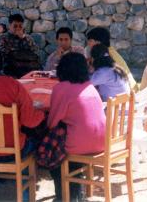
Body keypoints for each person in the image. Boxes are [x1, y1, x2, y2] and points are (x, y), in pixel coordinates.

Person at [47, 52, 106, 201]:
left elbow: (52, 123)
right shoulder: (90, 87)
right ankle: (76, 193)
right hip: (102, 142)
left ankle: (64, 197)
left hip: (78, 145)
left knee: (50, 152)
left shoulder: (61, 88)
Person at [86, 27, 138, 91]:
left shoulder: (106, 56)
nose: (88, 43)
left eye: (90, 41)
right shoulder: (109, 52)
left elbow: (91, 80)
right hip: (127, 93)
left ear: (98, 43)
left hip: (129, 94)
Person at [0, 14, 41, 78]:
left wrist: (23, 39)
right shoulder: (3, 37)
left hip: (27, 71)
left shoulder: (28, 38)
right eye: (15, 26)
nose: (18, 28)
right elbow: (1, 54)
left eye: (20, 26)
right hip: (10, 71)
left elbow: (36, 52)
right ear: (9, 26)